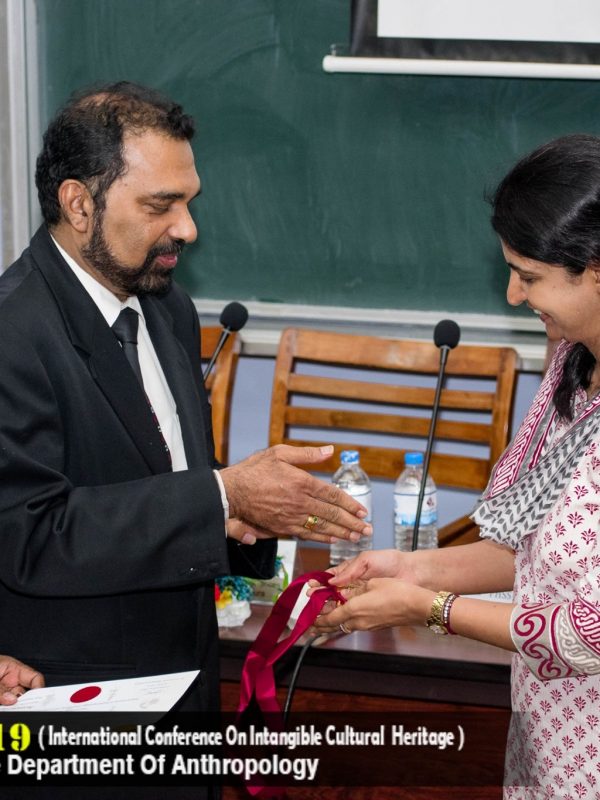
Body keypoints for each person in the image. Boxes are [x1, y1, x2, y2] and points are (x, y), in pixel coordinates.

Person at [0, 81, 371, 715]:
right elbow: (31, 534)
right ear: (79, 204)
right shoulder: (14, 332)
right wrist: (224, 496)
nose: (188, 228)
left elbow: (170, 479)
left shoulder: (167, 307)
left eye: (189, 201)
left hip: (190, 679)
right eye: (161, 205)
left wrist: (248, 517)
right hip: (79, 702)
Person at [313, 133, 600, 798]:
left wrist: (431, 607)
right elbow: (530, 552)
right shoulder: (572, 362)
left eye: (529, 276)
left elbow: (588, 634)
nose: (513, 295)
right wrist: (410, 568)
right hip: (546, 747)